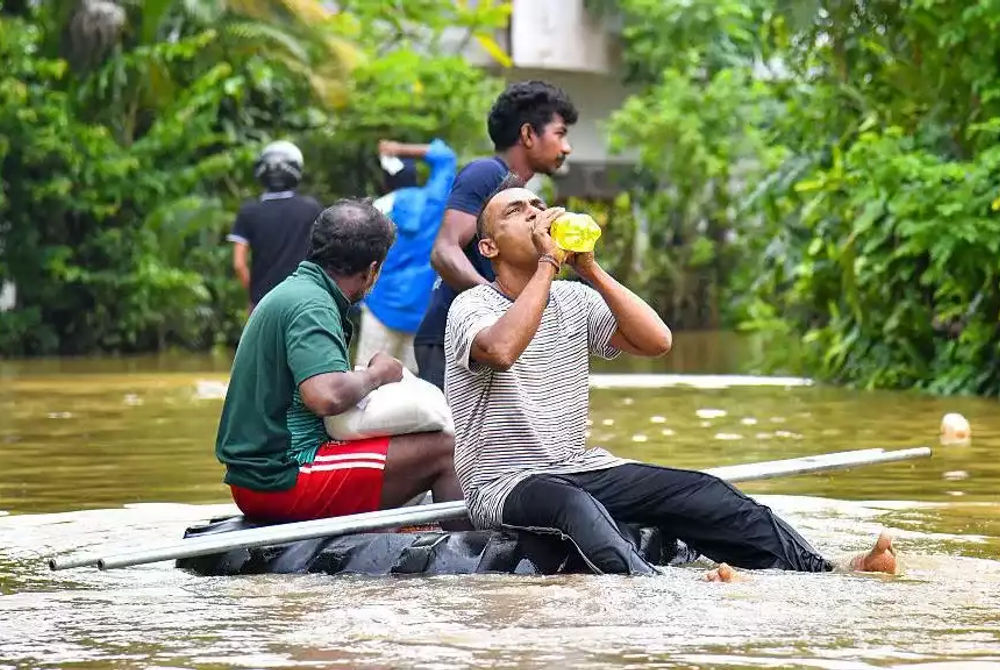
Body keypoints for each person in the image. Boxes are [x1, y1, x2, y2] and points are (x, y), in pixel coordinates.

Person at [443, 179, 899, 579]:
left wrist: (589, 268)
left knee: (701, 490)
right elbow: (502, 350)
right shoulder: (472, 305)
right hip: (505, 484)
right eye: (516, 212)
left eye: (539, 206)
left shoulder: (573, 299)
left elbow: (657, 340)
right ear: (489, 248)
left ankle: (826, 569)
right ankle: (658, 589)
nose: (536, 215)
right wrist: (547, 264)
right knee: (570, 505)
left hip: (582, 468)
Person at [216, 199, 467, 528]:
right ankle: (468, 561)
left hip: (261, 474)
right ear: (373, 269)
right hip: (281, 477)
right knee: (445, 450)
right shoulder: (312, 305)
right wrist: (379, 373)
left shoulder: (299, 292)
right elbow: (326, 395)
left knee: (413, 447)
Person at [413, 80, 577, 389]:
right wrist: (502, 302)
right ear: (528, 134)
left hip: (485, 338)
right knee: (453, 438)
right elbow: (444, 251)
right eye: (560, 134)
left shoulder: (520, 194)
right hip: (454, 340)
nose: (566, 148)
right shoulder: (486, 173)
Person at [356, 138, 458, 373]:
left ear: (385, 180)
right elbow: (446, 157)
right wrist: (400, 149)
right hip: (420, 310)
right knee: (409, 387)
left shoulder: (374, 210)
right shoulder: (436, 202)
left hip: (379, 306)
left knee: (366, 381)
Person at [228, 140, 323, 311]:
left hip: (263, 302)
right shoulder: (311, 209)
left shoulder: (249, 212)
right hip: (303, 300)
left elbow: (239, 264)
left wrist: (254, 295)